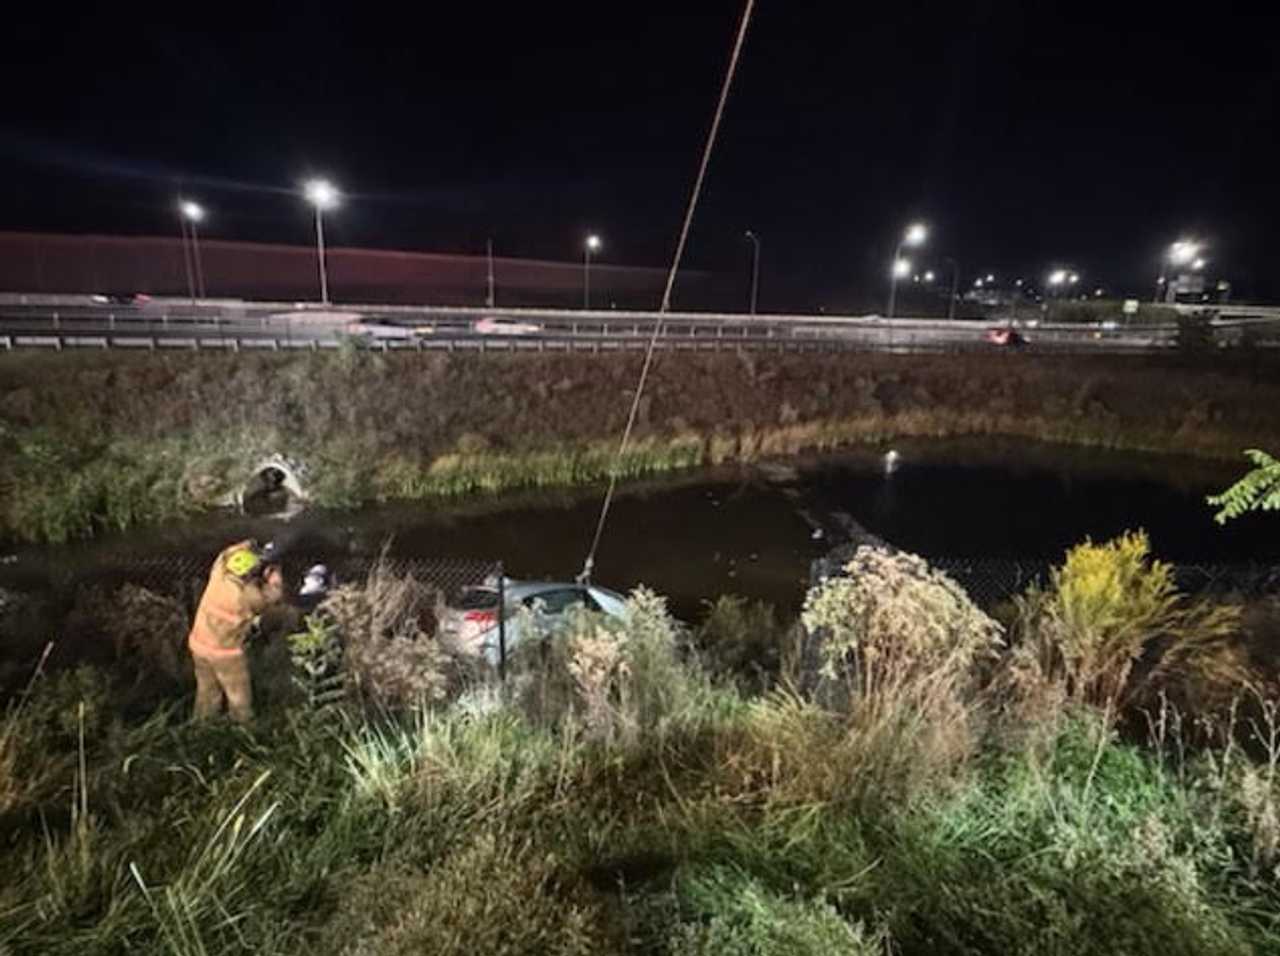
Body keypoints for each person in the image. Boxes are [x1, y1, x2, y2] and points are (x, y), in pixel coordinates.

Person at [187, 540, 284, 722]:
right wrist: (274, 571)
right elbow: (273, 596)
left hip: (199, 645)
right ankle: (243, 728)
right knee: (238, 695)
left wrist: (247, 545)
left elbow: (226, 554)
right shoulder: (248, 597)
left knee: (207, 690)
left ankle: (202, 725)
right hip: (226, 655)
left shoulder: (219, 572)